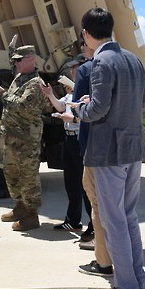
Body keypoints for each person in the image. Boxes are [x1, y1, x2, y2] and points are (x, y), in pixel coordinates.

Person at [74, 8, 145, 289]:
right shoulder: (133, 59)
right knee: (129, 217)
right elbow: (141, 100)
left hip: (109, 153)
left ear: (86, 34)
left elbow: (97, 110)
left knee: (113, 220)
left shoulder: (101, 62)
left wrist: (80, 107)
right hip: (133, 148)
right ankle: (137, 280)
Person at [0, 38, 48, 231]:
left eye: (19, 60)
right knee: (11, 173)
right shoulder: (20, 75)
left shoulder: (36, 84)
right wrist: (11, 49)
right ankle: (20, 206)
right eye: (15, 60)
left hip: (26, 140)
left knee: (28, 176)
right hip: (11, 137)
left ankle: (32, 215)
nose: (15, 63)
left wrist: (3, 95)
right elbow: (12, 61)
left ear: (30, 59)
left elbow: (22, 107)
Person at [40, 54, 93, 238]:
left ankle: (93, 226)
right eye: (71, 68)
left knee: (86, 184)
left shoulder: (88, 92)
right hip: (69, 139)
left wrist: (74, 119)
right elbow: (60, 107)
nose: (72, 71)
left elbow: (88, 115)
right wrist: (50, 95)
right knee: (71, 182)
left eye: (75, 68)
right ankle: (73, 220)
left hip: (81, 138)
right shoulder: (71, 93)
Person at [74, 36, 114, 278]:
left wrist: (81, 107)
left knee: (96, 203)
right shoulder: (131, 62)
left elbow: (81, 106)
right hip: (122, 148)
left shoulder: (89, 68)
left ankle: (103, 261)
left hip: (94, 143)